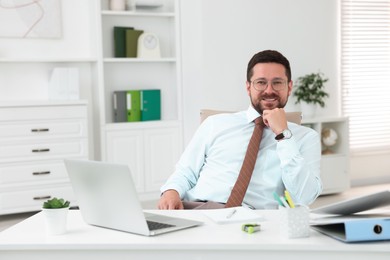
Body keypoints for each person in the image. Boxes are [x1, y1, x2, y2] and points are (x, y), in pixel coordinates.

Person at [158, 50, 322, 210]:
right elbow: (186, 171)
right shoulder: (215, 124)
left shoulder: (305, 137)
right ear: (248, 87)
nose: (269, 90)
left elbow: (304, 196)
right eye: (261, 82)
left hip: (253, 222)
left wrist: (283, 135)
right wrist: (171, 191)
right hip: (200, 210)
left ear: (289, 87)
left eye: (277, 82)